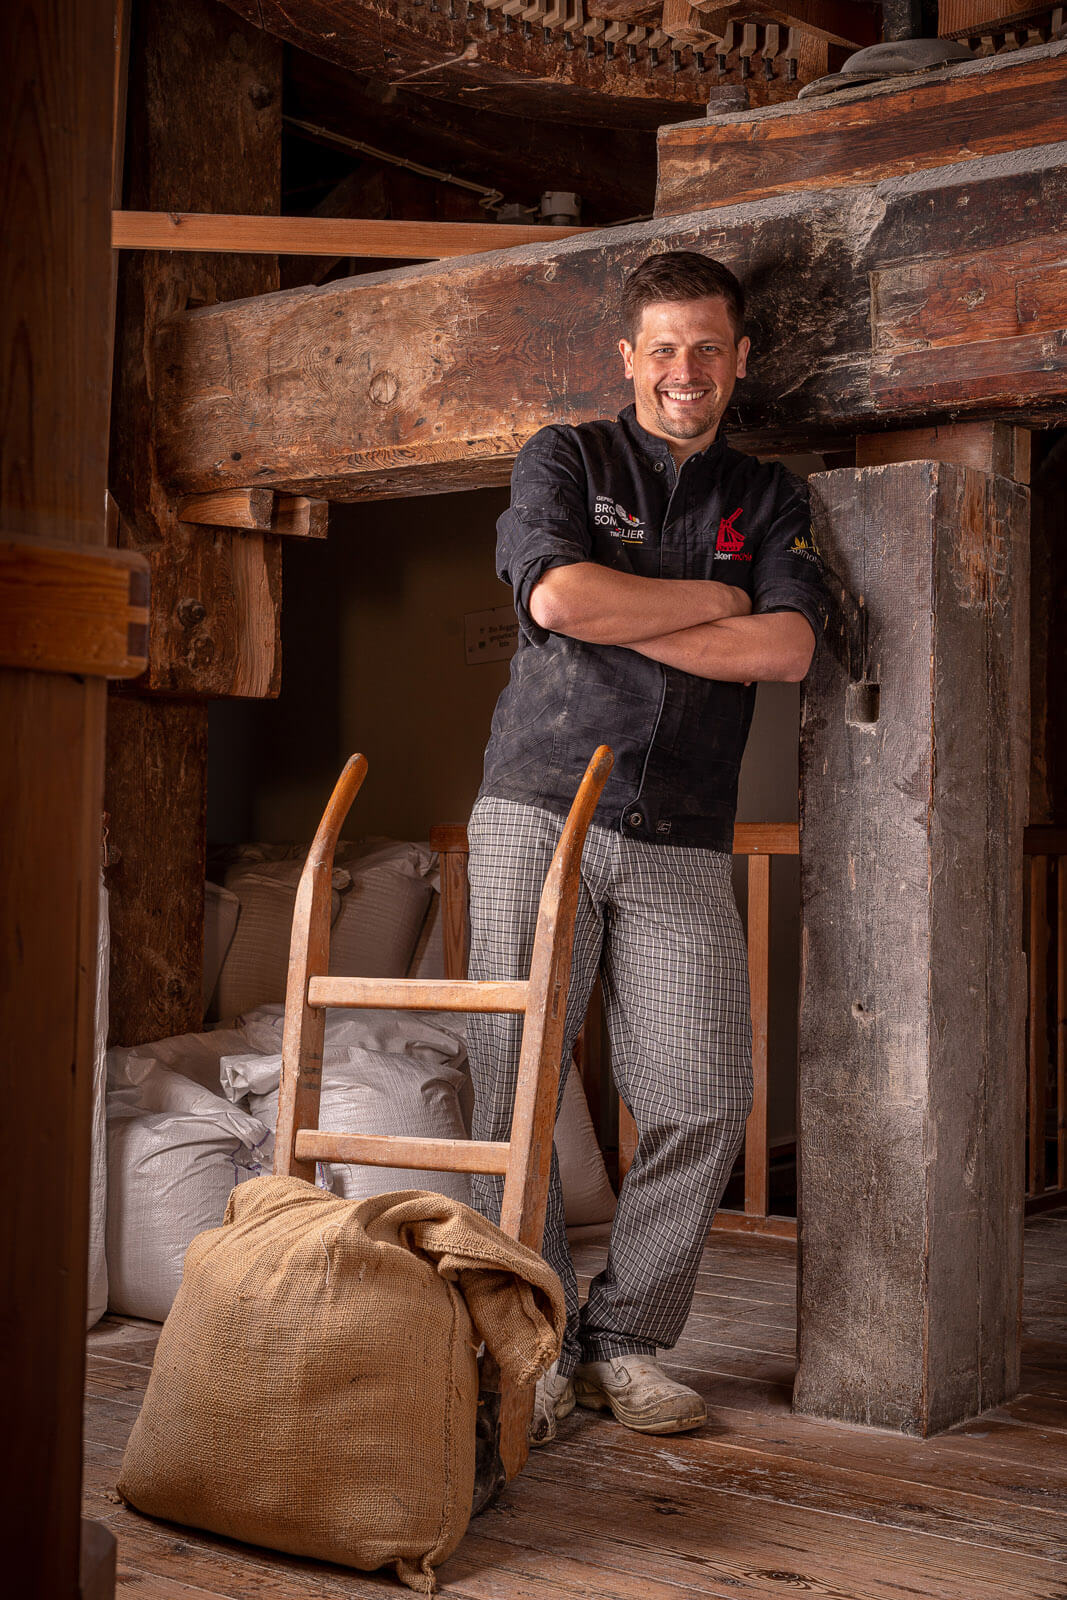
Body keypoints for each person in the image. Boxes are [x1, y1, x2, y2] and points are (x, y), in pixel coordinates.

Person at [465, 250, 826, 1443]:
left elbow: (785, 651)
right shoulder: (564, 457)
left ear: (738, 360)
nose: (685, 371)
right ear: (628, 358)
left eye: (707, 349)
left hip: (679, 829)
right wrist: (714, 604)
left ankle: (619, 1342)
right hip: (538, 808)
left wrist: (653, 613)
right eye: (662, 348)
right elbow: (559, 601)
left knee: (702, 1095)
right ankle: (522, 1343)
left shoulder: (765, 496)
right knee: (512, 1080)